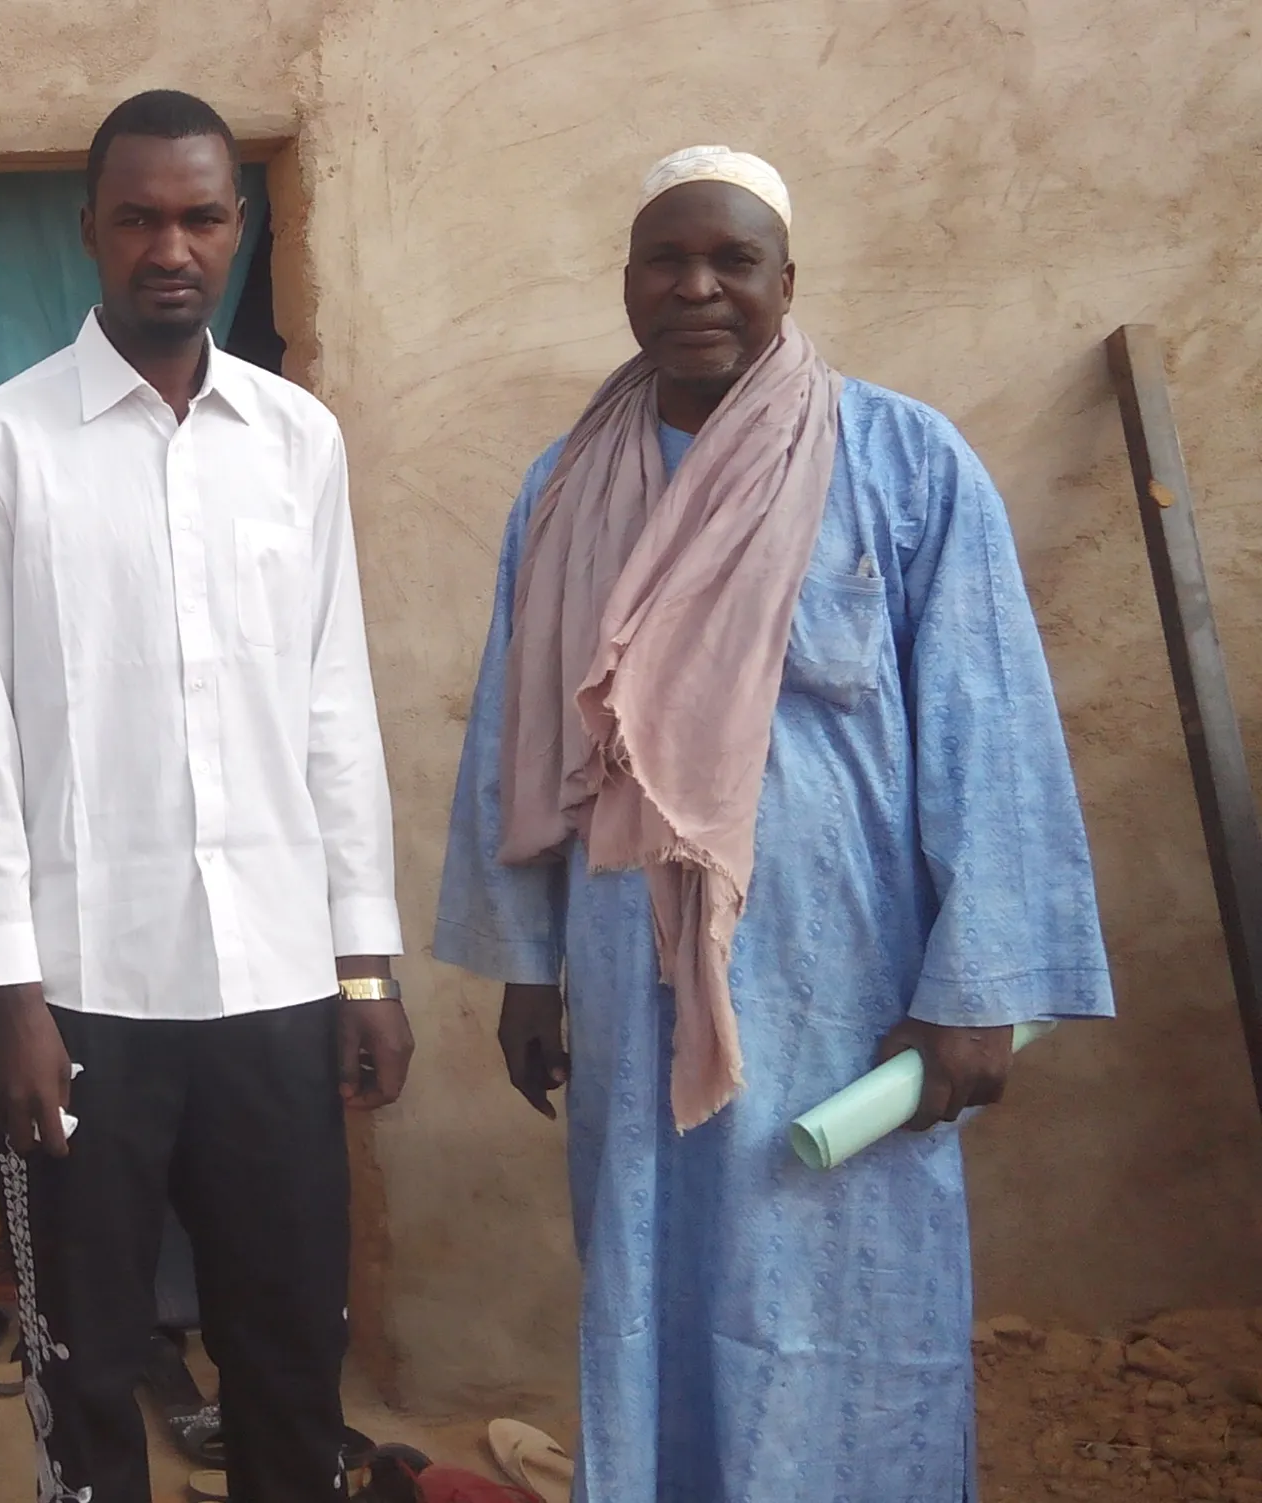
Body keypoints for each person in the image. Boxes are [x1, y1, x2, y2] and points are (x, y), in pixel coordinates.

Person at [435, 146, 1115, 1502]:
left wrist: (978, 987)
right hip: (633, 987)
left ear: (785, 282)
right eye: (665, 259)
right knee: (653, 1284)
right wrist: (530, 961)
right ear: (627, 281)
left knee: (853, 1304)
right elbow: (519, 732)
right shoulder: (564, 485)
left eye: (731, 260)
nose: (696, 286)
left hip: (851, 990)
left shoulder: (906, 461)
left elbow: (993, 729)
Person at [0, 90, 410, 1503]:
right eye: (138, 215)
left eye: (201, 215)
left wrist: (364, 960)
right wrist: (9, 993)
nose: (170, 246)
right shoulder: (0, 447)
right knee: (85, 1360)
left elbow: (333, 703)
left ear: (240, 230)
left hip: (275, 974)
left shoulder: (296, 441)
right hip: (86, 989)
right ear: (89, 229)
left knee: (286, 1342)